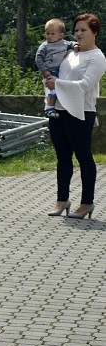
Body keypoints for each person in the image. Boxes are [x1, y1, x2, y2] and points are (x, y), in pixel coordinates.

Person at [45, 13, 106, 219]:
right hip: (59, 111)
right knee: (63, 158)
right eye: (77, 30)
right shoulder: (71, 53)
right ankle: (62, 200)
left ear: (94, 32)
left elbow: (85, 86)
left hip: (81, 113)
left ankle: (86, 203)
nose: (79, 34)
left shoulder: (97, 57)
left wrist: (57, 84)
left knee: (84, 158)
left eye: (84, 30)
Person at [35, 19, 75, 118]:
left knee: (60, 89)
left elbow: (71, 44)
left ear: (60, 35)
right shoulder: (45, 46)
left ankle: (59, 106)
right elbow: (38, 58)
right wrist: (45, 71)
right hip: (50, 71)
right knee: (52, 90)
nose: (49, 36)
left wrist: (76, 45)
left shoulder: (64, 43)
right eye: (47, 33)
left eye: (52, 33)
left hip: (61, 70)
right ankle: (49, 108)